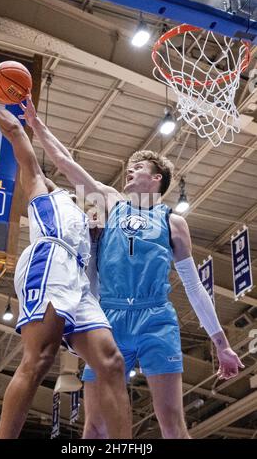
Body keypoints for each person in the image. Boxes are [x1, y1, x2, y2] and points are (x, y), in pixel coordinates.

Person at [20, 95, 245, 440]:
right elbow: (66, 163)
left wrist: (221, 343)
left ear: (156, 179)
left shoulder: (173, 223)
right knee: (95, 426)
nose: (130, 170)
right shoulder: (110, 201)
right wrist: (36, 124)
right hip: (109, 319)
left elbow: (193, 285)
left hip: (156, 318)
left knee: (171, 421)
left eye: (138, 168)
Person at [0, 78, 131, 439]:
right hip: (48, 261)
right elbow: (18, 135)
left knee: (112, 362)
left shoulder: (83, 222)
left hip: (78, 281)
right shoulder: (40, 189)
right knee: (39, 359)